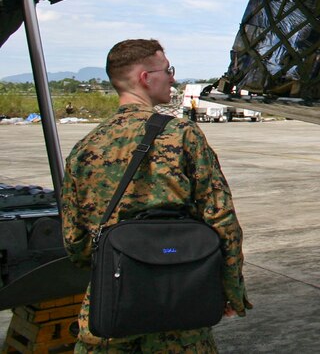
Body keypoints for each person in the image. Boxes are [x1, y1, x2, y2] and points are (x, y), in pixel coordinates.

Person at [60, 39, 250, 352]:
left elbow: (76, 244)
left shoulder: (84, 148)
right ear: (146, 78)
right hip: (180, 312)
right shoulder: (182, 134)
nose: (173, 78)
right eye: (168, 70)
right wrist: (230, 290)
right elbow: (222, 220)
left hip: (111, 313)